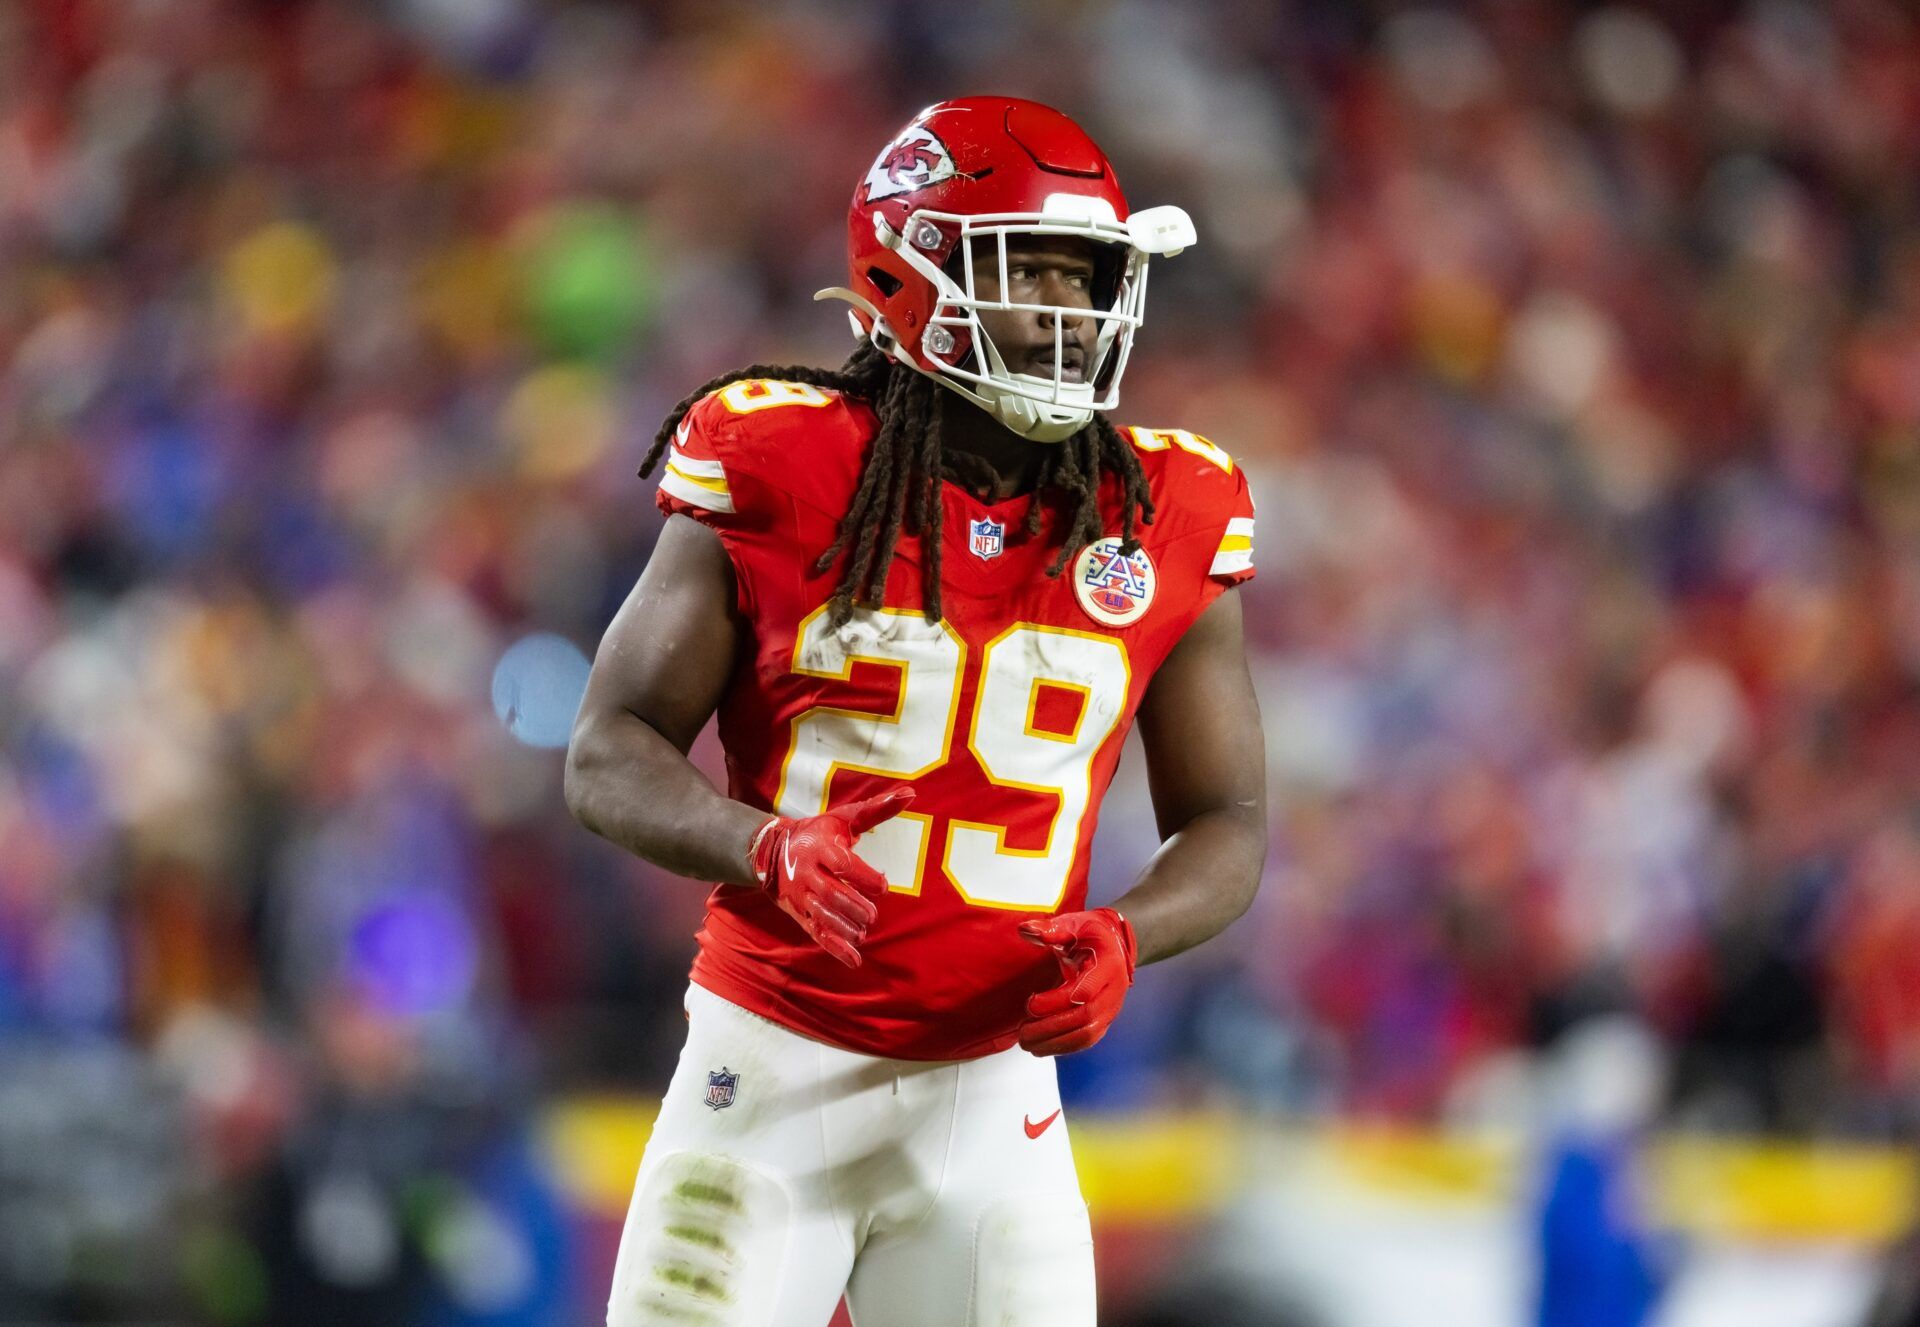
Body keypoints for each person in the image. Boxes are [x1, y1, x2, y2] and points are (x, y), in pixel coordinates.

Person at [565, 95, 1267, 1326]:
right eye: (1027, 270)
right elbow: (607, 750)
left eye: (1085, 275)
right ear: (911, 271)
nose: (1067, 311)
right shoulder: (782, 460)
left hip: (998, 1099)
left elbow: (1228, 820)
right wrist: (761, 843)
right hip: (771, 1068)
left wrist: (1125, 934)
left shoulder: (1172, 504)